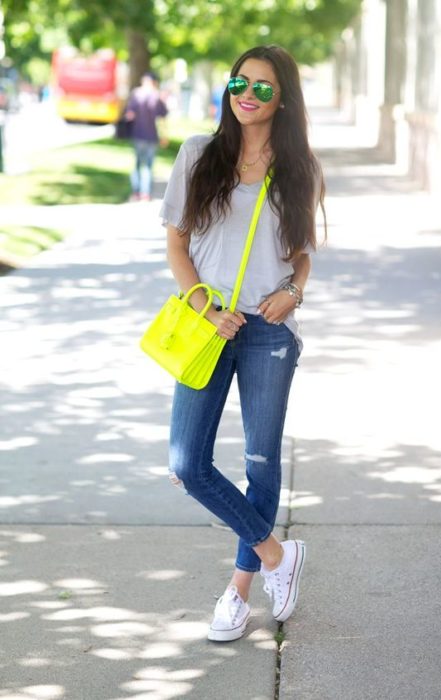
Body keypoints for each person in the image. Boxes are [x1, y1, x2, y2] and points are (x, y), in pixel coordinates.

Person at [160, 45, 325, 642]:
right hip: (207, 324)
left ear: (283, 99)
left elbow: (301, 253)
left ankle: (238, 591)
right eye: (239, 81)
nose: (247, 94)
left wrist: (293, 293)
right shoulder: (199, 154)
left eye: (262, 86)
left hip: (268, 332)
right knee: (187, 462)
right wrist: (204, 304)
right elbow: (177, 244)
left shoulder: (299, 166)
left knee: (260, 464)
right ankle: (279, 554)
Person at [125, 71, 168, 201]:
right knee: (148, 166)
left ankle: (136, 192)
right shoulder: (157, 96)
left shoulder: (136, 94)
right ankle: (145, 193)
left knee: (138, 164)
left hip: (138, 134)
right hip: (152, 135)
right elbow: (162, 118)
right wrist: (164, 135)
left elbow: (129, 115)